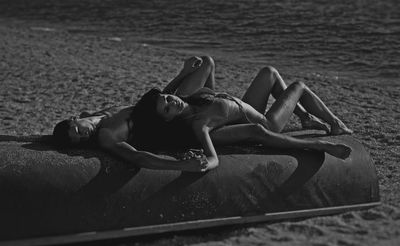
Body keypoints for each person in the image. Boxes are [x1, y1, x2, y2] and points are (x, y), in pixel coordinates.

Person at [53, 56, 352, 172]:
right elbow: (139, 156)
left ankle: (304, 117)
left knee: (266, 71)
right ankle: (332, 123)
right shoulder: (107, 135)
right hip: (244, 120)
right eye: (79, 138)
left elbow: (152, 103)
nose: (82, 132)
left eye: (76, 127)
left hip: (220, 108)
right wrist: (182, 165)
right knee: (296, 87)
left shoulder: (97, 116)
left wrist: (183, 79)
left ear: (76, 118)